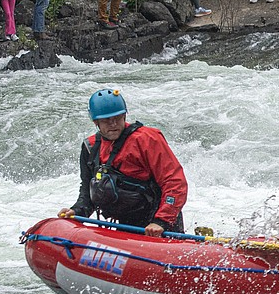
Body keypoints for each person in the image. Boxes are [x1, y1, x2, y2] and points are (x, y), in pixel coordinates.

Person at [58, 89, 189, 236]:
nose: (113, 124)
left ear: (124, 115)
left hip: (158, 222)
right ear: (96, 122)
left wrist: (161, 221)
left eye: (118, 118)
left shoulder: (147, 139)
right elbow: (88, 189)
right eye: (107, 120)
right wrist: (77, 210)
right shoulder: (91, 147)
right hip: (125, 225)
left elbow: (174, 182)